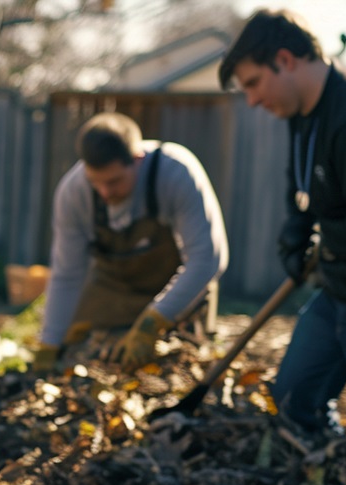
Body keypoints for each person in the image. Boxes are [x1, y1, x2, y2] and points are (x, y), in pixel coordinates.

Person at [219, 9, 346, 435]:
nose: (250, 99)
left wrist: (326, 244)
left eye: (252, 83)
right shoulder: (303, 113)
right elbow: (299, 184)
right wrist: (295, 233)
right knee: (292, 401)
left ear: (284, 60)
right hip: (338, 291)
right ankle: (326, 467)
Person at [32, 112, 229, 373]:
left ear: (137, 160)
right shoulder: (73, 192)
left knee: (183, 362)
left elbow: (208, 259)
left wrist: (154, 321)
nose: (104, 192)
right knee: (82, 357)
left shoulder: (175, 173)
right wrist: (49, 345)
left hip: (179, 293)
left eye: (113, 181)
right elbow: (67, 274)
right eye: (96, 183)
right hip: (115, 291)